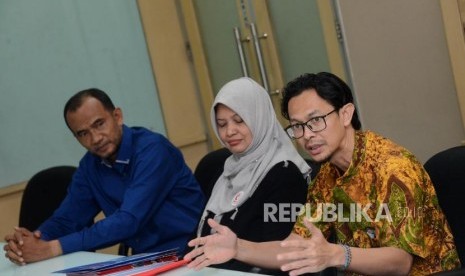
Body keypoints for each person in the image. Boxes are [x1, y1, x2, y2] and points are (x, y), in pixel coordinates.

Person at [185, 72, 461, 275]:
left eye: (316, 121)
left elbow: (401, 263)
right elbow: (296, 246)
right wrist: (238, 248)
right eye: (297, 127)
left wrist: (335, 254)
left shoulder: (393, 168)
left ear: (345, 114)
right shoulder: (327, 176)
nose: (307, 136)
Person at [4, 88, 205, 265]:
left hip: (192, 255)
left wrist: (53, 248)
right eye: (83, 133)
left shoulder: (153, 151)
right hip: (145, 261)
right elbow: (68, 219)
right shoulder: (90, 165)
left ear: (117, 116)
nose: (95, 138)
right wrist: (32, 241)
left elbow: (128, 220)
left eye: (99, 124)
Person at [195, 77, 311, 274]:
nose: (230, 131)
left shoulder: (284, 174)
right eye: (221, 124)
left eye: (240, 121)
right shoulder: (224, 169)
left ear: (259, 118)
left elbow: (283, 253)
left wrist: (236, 249)